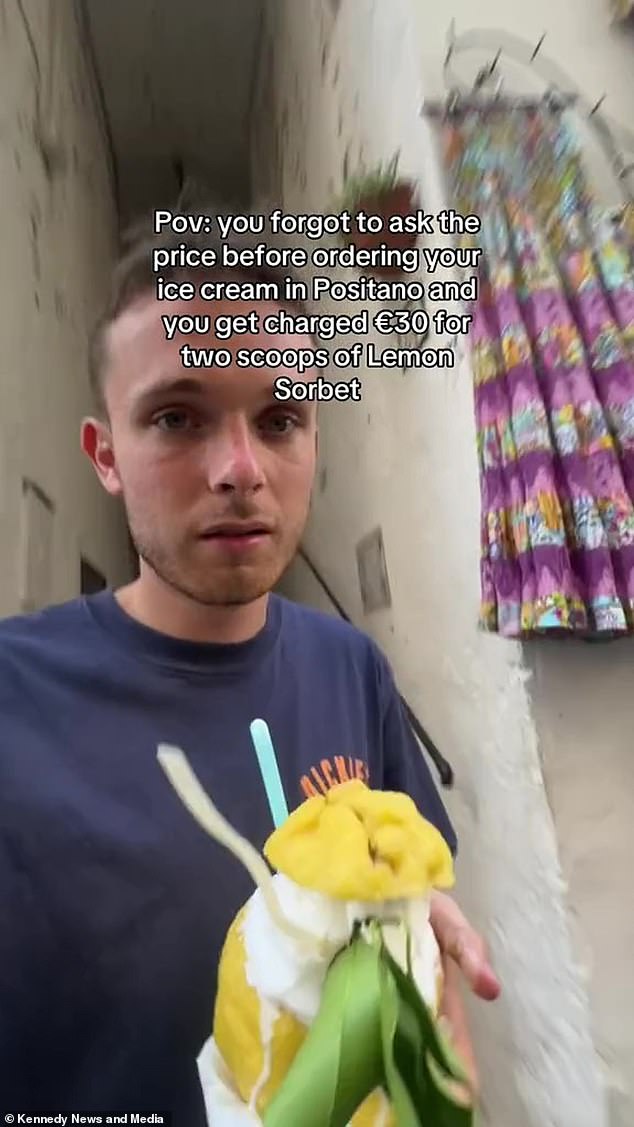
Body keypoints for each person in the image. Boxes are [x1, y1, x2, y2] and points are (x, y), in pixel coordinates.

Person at [0, 214, 499, 1122]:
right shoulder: (15, 698)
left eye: (279, 418)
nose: (240, 468)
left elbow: (414, 914)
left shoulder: (352, 668)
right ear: (105, 454)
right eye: (177, 418)